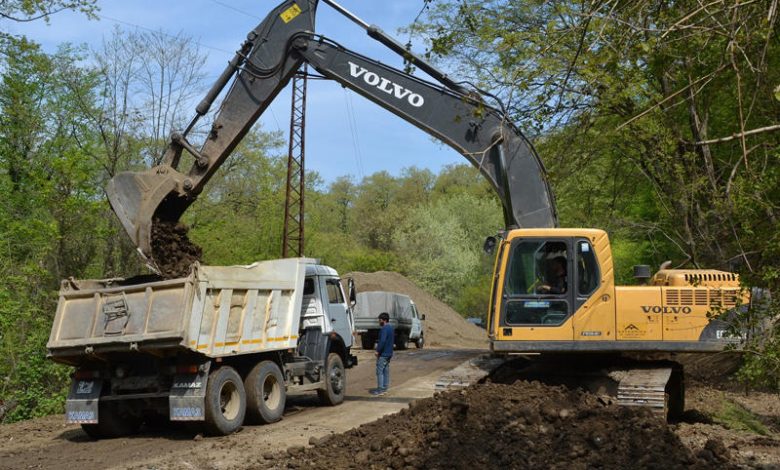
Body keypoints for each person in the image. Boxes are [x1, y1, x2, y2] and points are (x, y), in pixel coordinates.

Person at [372, 312, 394, 396]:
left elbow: (382, 341)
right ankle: (385, 388)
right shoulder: (391, 328)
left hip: (383, 353)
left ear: (384, 320)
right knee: (386, 371)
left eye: (380, 320)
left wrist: (378, 351)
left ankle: (380, 390)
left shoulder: (384, 329)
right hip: (389, 353)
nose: (379, 321)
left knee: (379, 371)